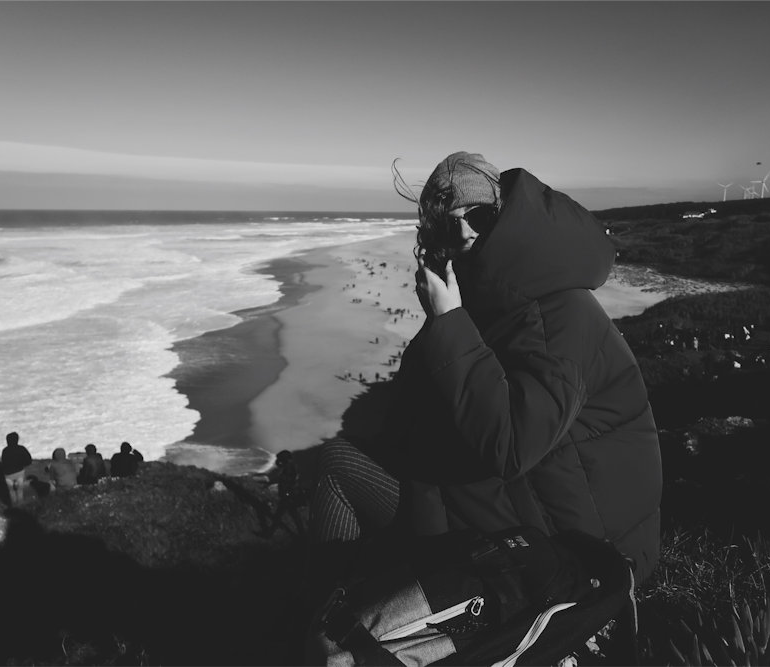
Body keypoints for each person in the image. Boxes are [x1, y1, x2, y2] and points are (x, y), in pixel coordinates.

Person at [306, 152, 662, 604]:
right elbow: (413, 418)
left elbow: (511, 444)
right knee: (339, 462)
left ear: (506, 216)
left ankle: (327, 625)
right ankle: (332, 622)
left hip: (579, 547)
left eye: (478, 215)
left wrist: (450, 321)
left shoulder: (563, 313)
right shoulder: (483, 300)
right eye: (446, 225)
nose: (464, 232)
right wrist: (440, 321)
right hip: (509, 506)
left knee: (340, 472)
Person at [258, 450, 308, 538]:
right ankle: (302, 536)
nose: (280, 462)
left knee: (281, 517)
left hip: (288, 497)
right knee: (291, 516)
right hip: (288, 496)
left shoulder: (290, 469)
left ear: (286, 460)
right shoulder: (289, 466)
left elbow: (291, 482)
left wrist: (286, 491)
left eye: (282, 460)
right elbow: (281, 470)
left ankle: (269, 535)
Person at [1, 431, 33, 505]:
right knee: (19, 490)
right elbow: (29, 460)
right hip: (19, 472)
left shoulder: (5, 450)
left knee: (11, 491)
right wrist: (22, 464)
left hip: (8, 475)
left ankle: (14, 505)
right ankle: (20, 506)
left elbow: (3, 462)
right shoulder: (21, 449)